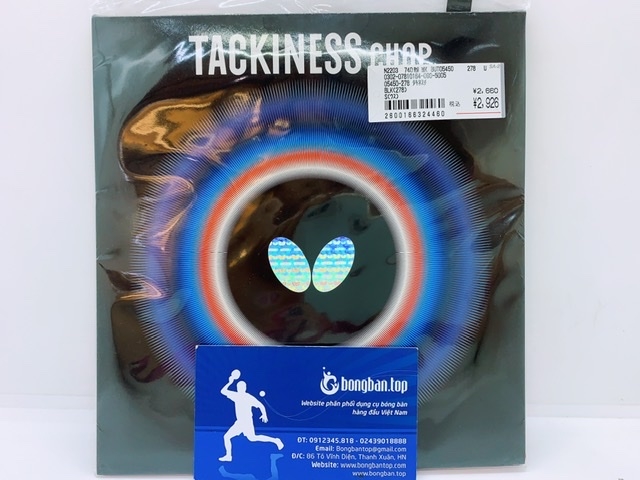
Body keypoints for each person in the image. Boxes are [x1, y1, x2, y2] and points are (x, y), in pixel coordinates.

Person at [219, 371, 284, 462]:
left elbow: (261, 405)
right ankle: (229, 456)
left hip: (247, 422)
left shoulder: (249, 397)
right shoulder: (236, 395)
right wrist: (230, 382)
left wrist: (264, 414)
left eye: (242, 387)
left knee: (253, 438)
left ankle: (276, 440)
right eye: (239, 387)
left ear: (245, 388)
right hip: (239, 422)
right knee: (227, 437)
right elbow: (222, 391)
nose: (240, 389)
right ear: (237, 388)